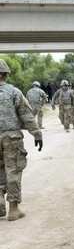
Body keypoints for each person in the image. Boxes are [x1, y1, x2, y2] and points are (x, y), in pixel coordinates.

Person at [0, 59, 43, 221]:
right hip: (11, 138)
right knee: (13, 170)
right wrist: (37, 134)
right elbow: (26, 115)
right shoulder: (14, 92)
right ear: (5, 74)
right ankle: (13, 209)